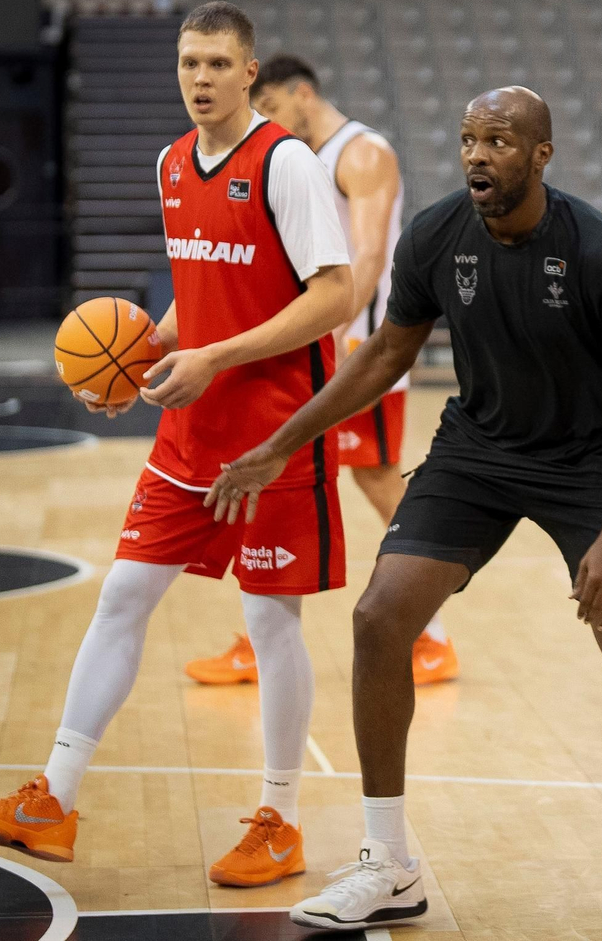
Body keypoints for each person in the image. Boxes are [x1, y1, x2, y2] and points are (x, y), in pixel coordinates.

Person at [206, 86, 602, 932]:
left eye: (499, 141)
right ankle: (387, 863)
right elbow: (382, 357)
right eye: (469, 139)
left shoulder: (600, 251)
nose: (478, 154)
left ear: (541, 155)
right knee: (378, 619)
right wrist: (284, 442)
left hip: (589, 465)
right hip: (478, 452)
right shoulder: (436, 235)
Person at [0, 2, 352, 889]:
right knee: (123, 595)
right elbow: (204, 287)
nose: (199, 78)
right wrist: (149, 351)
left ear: (251, 74)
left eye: (216, 63)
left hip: (277, 432)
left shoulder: (286, 164)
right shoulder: (171, 162)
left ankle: (280, 819)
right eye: (187, 63)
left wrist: (218, 357)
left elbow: (337, 297)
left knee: (269, 619)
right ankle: (52, 801)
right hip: (190, 428)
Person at [183, 53, 460, 688]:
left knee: (366, 483)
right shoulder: (305, 159)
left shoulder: (361, 153)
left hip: (358, 351)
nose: (268, 120)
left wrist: (327, 338)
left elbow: (366, 259)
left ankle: (430, 634)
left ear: (302, 93)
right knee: (306, 480)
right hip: (328, 348)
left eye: (273, 106)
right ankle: (275, 640)